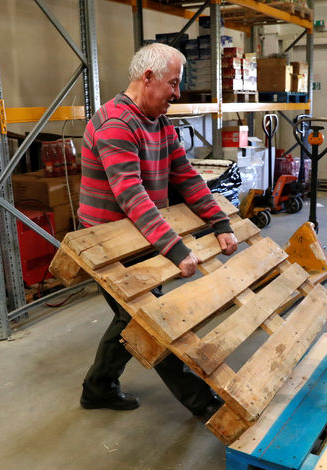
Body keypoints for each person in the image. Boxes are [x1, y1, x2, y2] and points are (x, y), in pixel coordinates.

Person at [77, 43, 239, 419]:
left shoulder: (159, 123)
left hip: (140, 237)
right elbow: (131, 195)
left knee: (132, 317)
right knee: (151, 318)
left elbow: (185, 176)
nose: (177, 93)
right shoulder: (115, 124)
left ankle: (98, 387)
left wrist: (220, 222)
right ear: (147, 77)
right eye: (173, 83)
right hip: (108, 242)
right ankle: (203, 404)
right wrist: (176, 249)